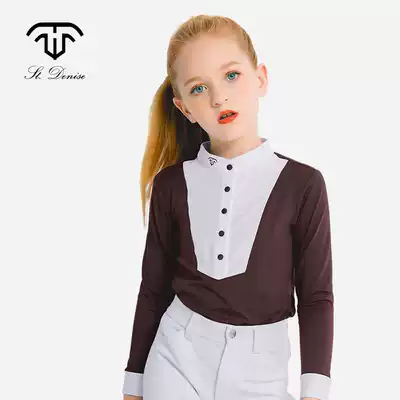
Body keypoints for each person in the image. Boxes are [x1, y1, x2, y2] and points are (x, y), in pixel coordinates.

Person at [122, 14, 334, 400]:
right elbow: (153, 288)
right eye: (199, 88)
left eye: (231, 75)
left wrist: (315, 391)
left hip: (261, 372)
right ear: (185, 108)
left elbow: (316, 296)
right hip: (175, 358)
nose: (218, 97)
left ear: (261, 79)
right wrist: (133, 383)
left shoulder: (303, 185)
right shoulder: (171, 185)